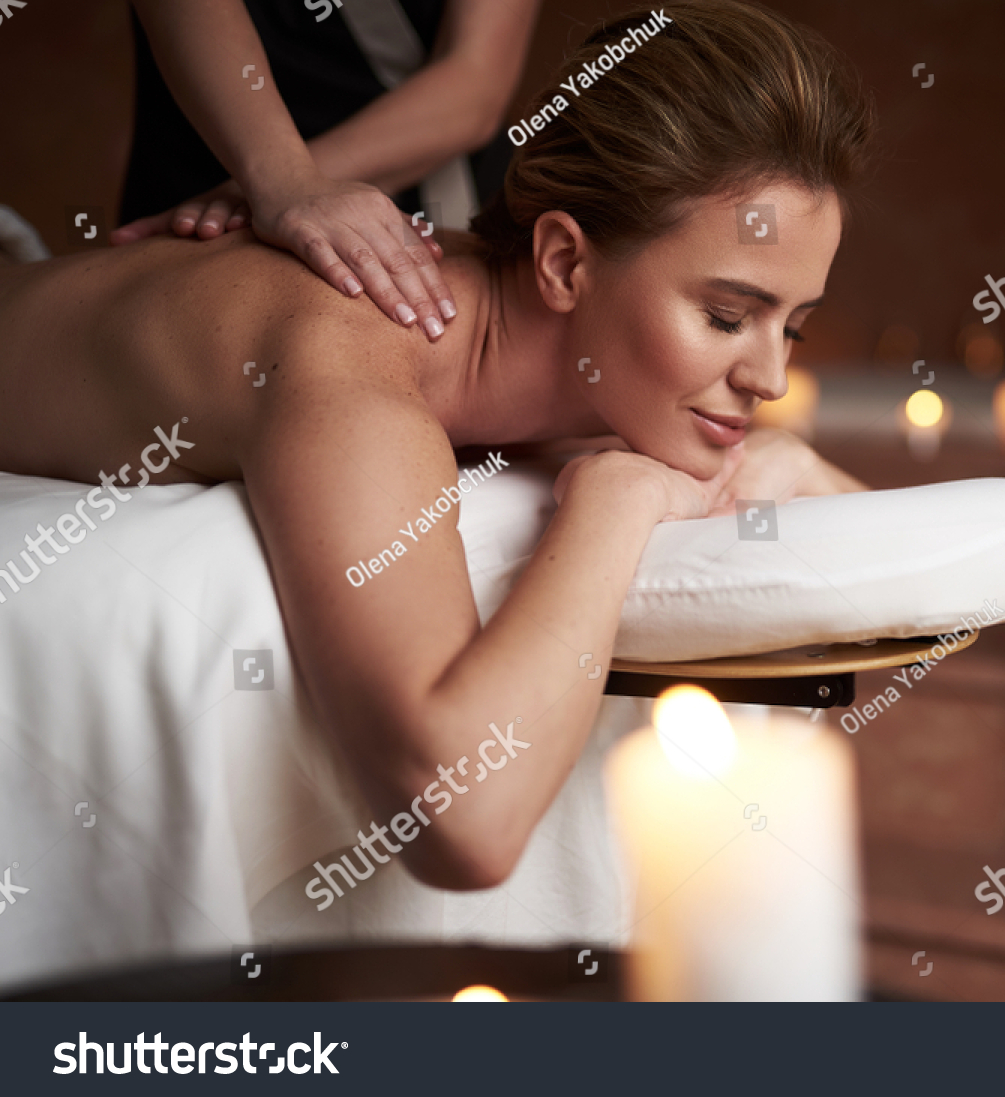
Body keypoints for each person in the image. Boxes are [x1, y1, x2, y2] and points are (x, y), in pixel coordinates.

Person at [0, 0, 874, 893]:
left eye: (793, 327)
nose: (768, 379)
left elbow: (891, 572)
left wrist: (787, 464)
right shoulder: (357, 371)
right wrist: (616, 507)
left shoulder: (550, 346)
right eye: (727, 316)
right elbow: (462, 821)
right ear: (565, 264)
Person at [112, 0, 540, 341]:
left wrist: (279, 188)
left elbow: (474, 83)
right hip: (205, 190)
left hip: (415, 196)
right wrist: (277, 184)